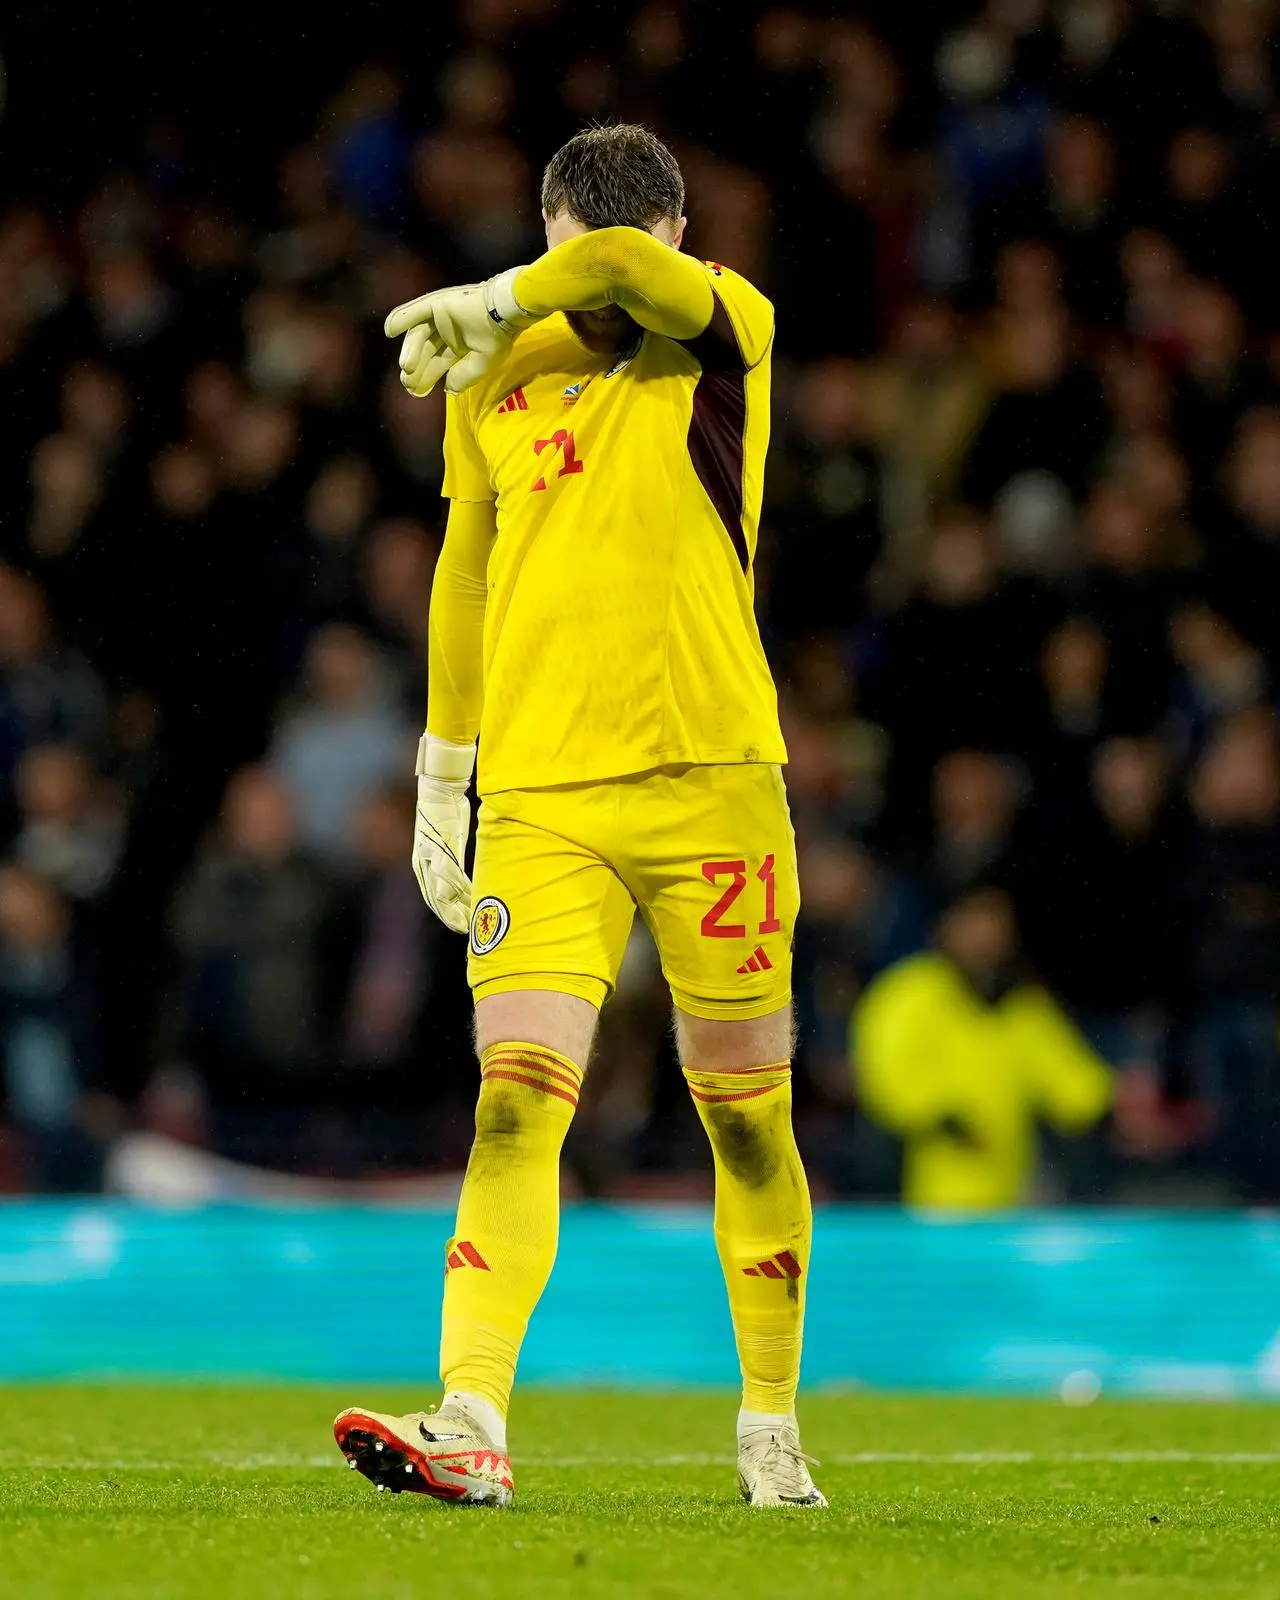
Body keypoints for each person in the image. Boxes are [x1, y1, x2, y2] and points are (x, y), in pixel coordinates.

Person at [333, 124, 823, 1510]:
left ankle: (770, 1418)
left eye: (576, 257)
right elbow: (467, 570)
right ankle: (471, 1417)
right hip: (543, 796)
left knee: (746, 1120)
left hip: (714, 778)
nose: (573, 277)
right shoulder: (492, 377)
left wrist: (498, 294)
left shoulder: (721, 325)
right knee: (513, 1105)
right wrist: (444, 767)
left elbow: (608, 261)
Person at [852, 885, 1112, 1210]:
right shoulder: (909, 993)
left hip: (1005, 1201)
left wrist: (1110, 1109)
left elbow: (1071, 1079)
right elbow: (886, 1073)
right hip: (914, 1192)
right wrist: (940, 1116)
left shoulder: (1021, 1006)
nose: (986, 936)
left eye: (995, 921)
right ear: (946, 926)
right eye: (974, 920)